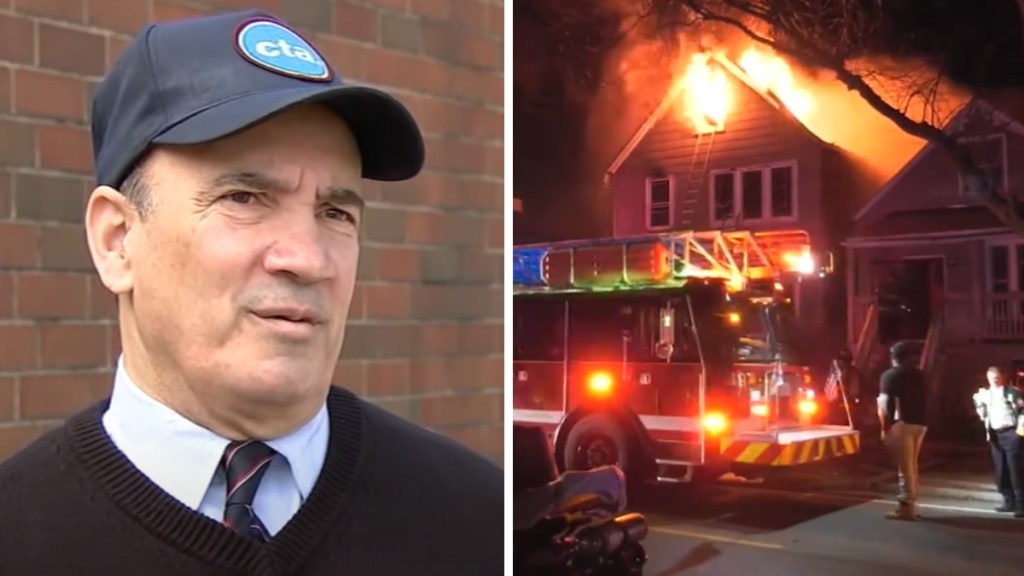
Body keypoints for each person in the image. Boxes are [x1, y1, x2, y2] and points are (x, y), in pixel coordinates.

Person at [0, 9, 502, 574]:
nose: (308, 259)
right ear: (118, 240)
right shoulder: (19, 537)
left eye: (335, 212)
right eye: (243, 198)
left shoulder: (479, 520)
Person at [877, 340, 929, 520]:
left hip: (901, 424)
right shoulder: (921, 375)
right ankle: (911, 505)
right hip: (920, 424)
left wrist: (885, 428)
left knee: (904, 467)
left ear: (893, 357)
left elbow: (885, 404)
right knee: (912, 466)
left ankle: (906, 507)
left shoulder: (890, 375)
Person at [971, 366, 1024, 517]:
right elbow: (982, 414)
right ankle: (1009, 501)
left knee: (1016, 470)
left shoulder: (1012, 392)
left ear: (1002, 377)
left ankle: (1021, 504)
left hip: (1012, 432)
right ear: (987, 377)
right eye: (991, 376)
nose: (994, 379)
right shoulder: (985, 394)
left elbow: (1022, 411)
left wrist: (1020, 432)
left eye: (997, 376)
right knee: (1001, 470)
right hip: (995, 434)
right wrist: (978, 402)